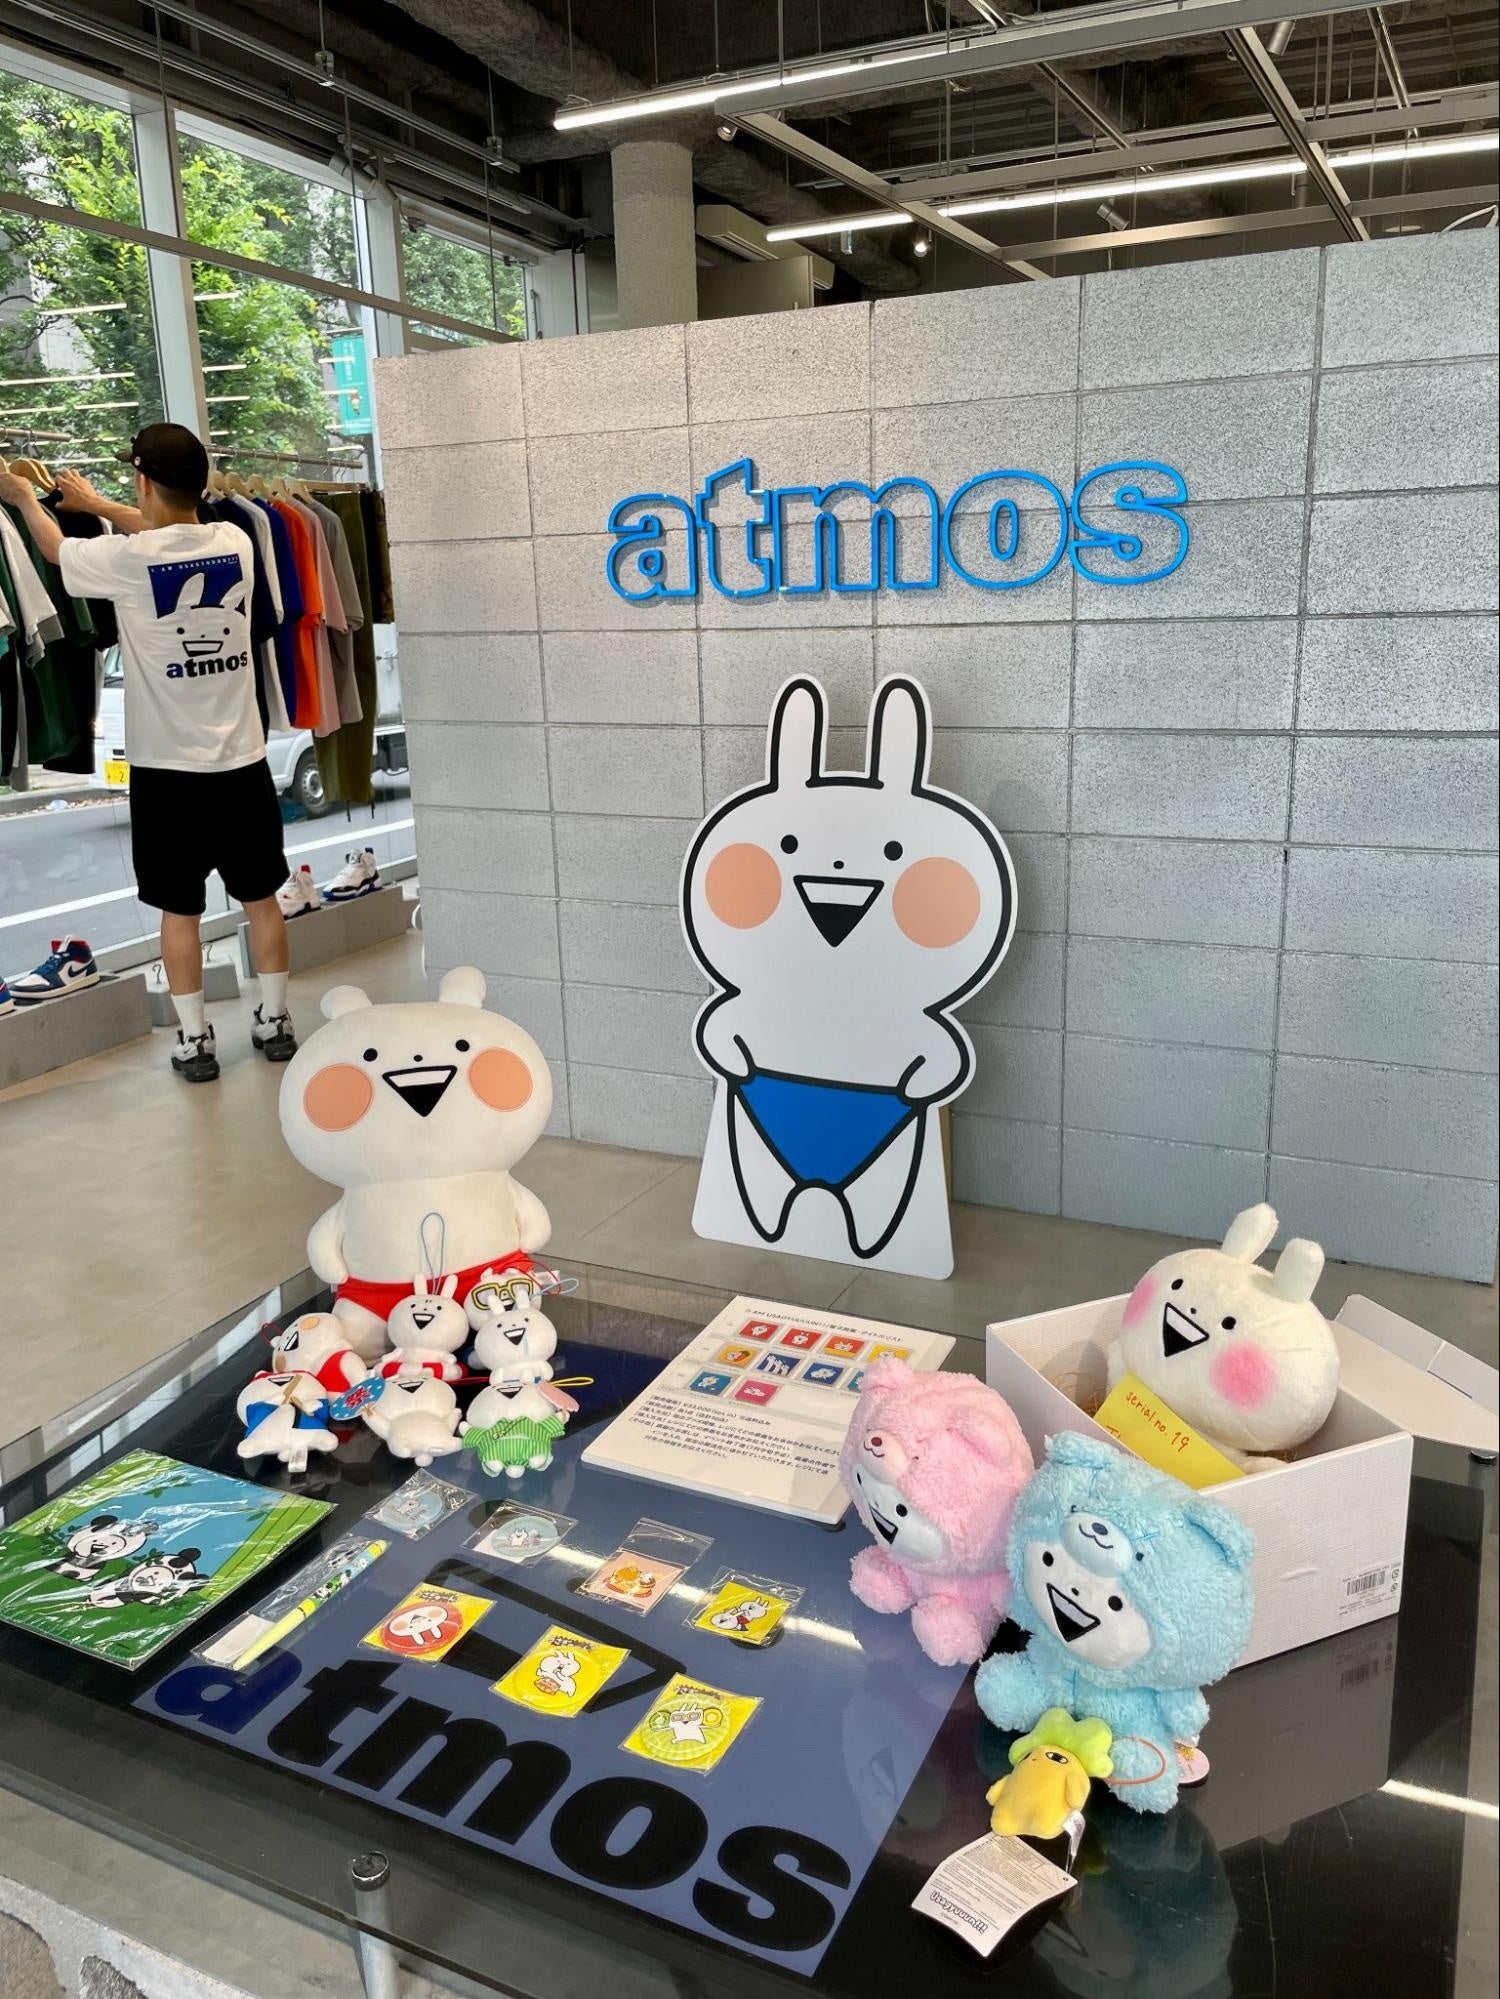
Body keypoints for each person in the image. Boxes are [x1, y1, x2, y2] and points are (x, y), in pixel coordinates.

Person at [0, 423, 295, 1083]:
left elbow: (55, 550)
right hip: (243, 763)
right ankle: (276, 1023)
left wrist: (21, 498)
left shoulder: (129, 561)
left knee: (179, 909)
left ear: (143, 480)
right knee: (262, 900)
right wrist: (97, 504)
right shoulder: (235, 541)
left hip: (169, 775)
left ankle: (195, 1041)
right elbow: (162, 529)